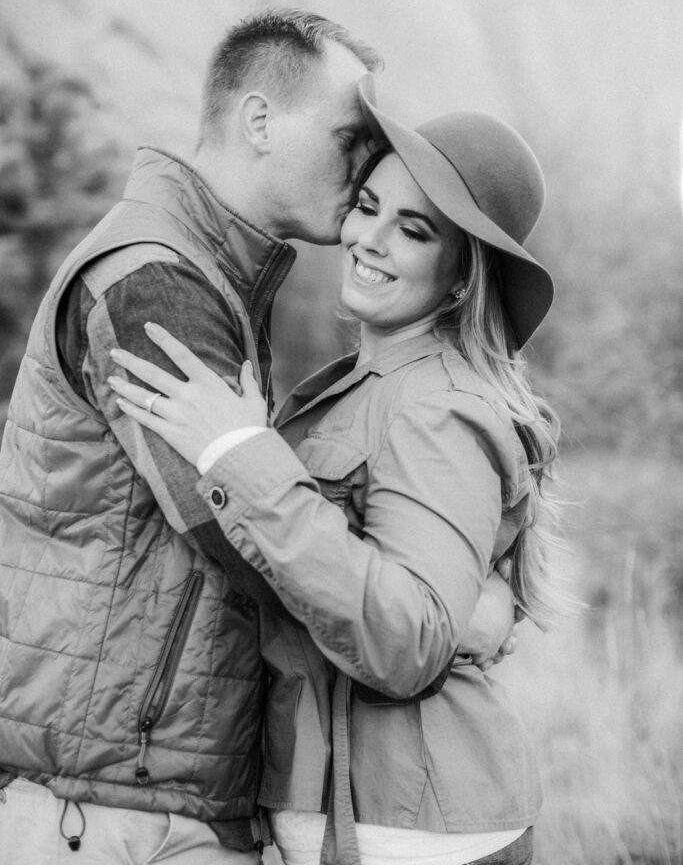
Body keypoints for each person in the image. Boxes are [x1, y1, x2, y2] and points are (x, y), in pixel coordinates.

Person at [0, 11, 513, 864]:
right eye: (350, 139)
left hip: (145, 795)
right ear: (260, 120)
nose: (359, 180)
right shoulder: (156, 285)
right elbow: (244, 544)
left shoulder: (211, 276)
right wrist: (439, 610)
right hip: (110, 813)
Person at [106, 78, 563, 865]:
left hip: (414, 826)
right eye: (367, 207)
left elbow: (405, 640)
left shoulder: (434, 406)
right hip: (345, 810)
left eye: (412, 229)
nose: (370, 238)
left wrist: (241, 458)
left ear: (462, 274)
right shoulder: (362, 384)